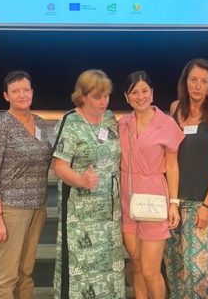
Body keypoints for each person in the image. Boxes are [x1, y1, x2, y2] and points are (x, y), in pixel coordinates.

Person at [52, 69, 125, 299]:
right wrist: (81, 179)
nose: (104, 101)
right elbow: (59, 166)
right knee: (81, 276)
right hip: (80, 214)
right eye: (97, 96)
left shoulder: (110, 118)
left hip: (110, 212)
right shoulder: (70, 122)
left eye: (106, 96)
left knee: (108, 272)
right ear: (82, 96)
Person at [165, 58, 208, 299]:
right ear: (185, 82)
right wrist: (171, 201)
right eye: (193, 80)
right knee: (174, 267)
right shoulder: (175, 108)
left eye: (204, 81)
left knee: (195, 271)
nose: (197, 86)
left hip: (198, 202)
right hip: (172, 200)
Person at [0, 71, 52, 299]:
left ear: (32, 92)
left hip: (37, 207)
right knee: (6, 277)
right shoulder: (0, 126)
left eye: (26, 90)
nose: (22, 95)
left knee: (26, 272)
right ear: (6, 96)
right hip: (11, 210)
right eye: (15, 91)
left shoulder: (40, 123)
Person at [119, 71, 184, 299]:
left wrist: (173, 203)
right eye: (134, 92)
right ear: (126, 97)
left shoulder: (166, 123)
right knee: (136, 264)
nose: (140, 96)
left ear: (152, 93)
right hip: (127, 199)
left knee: (150, 270)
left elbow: (172, 166)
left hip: (154, 199)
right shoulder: (122, 124)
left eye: (144, 91)